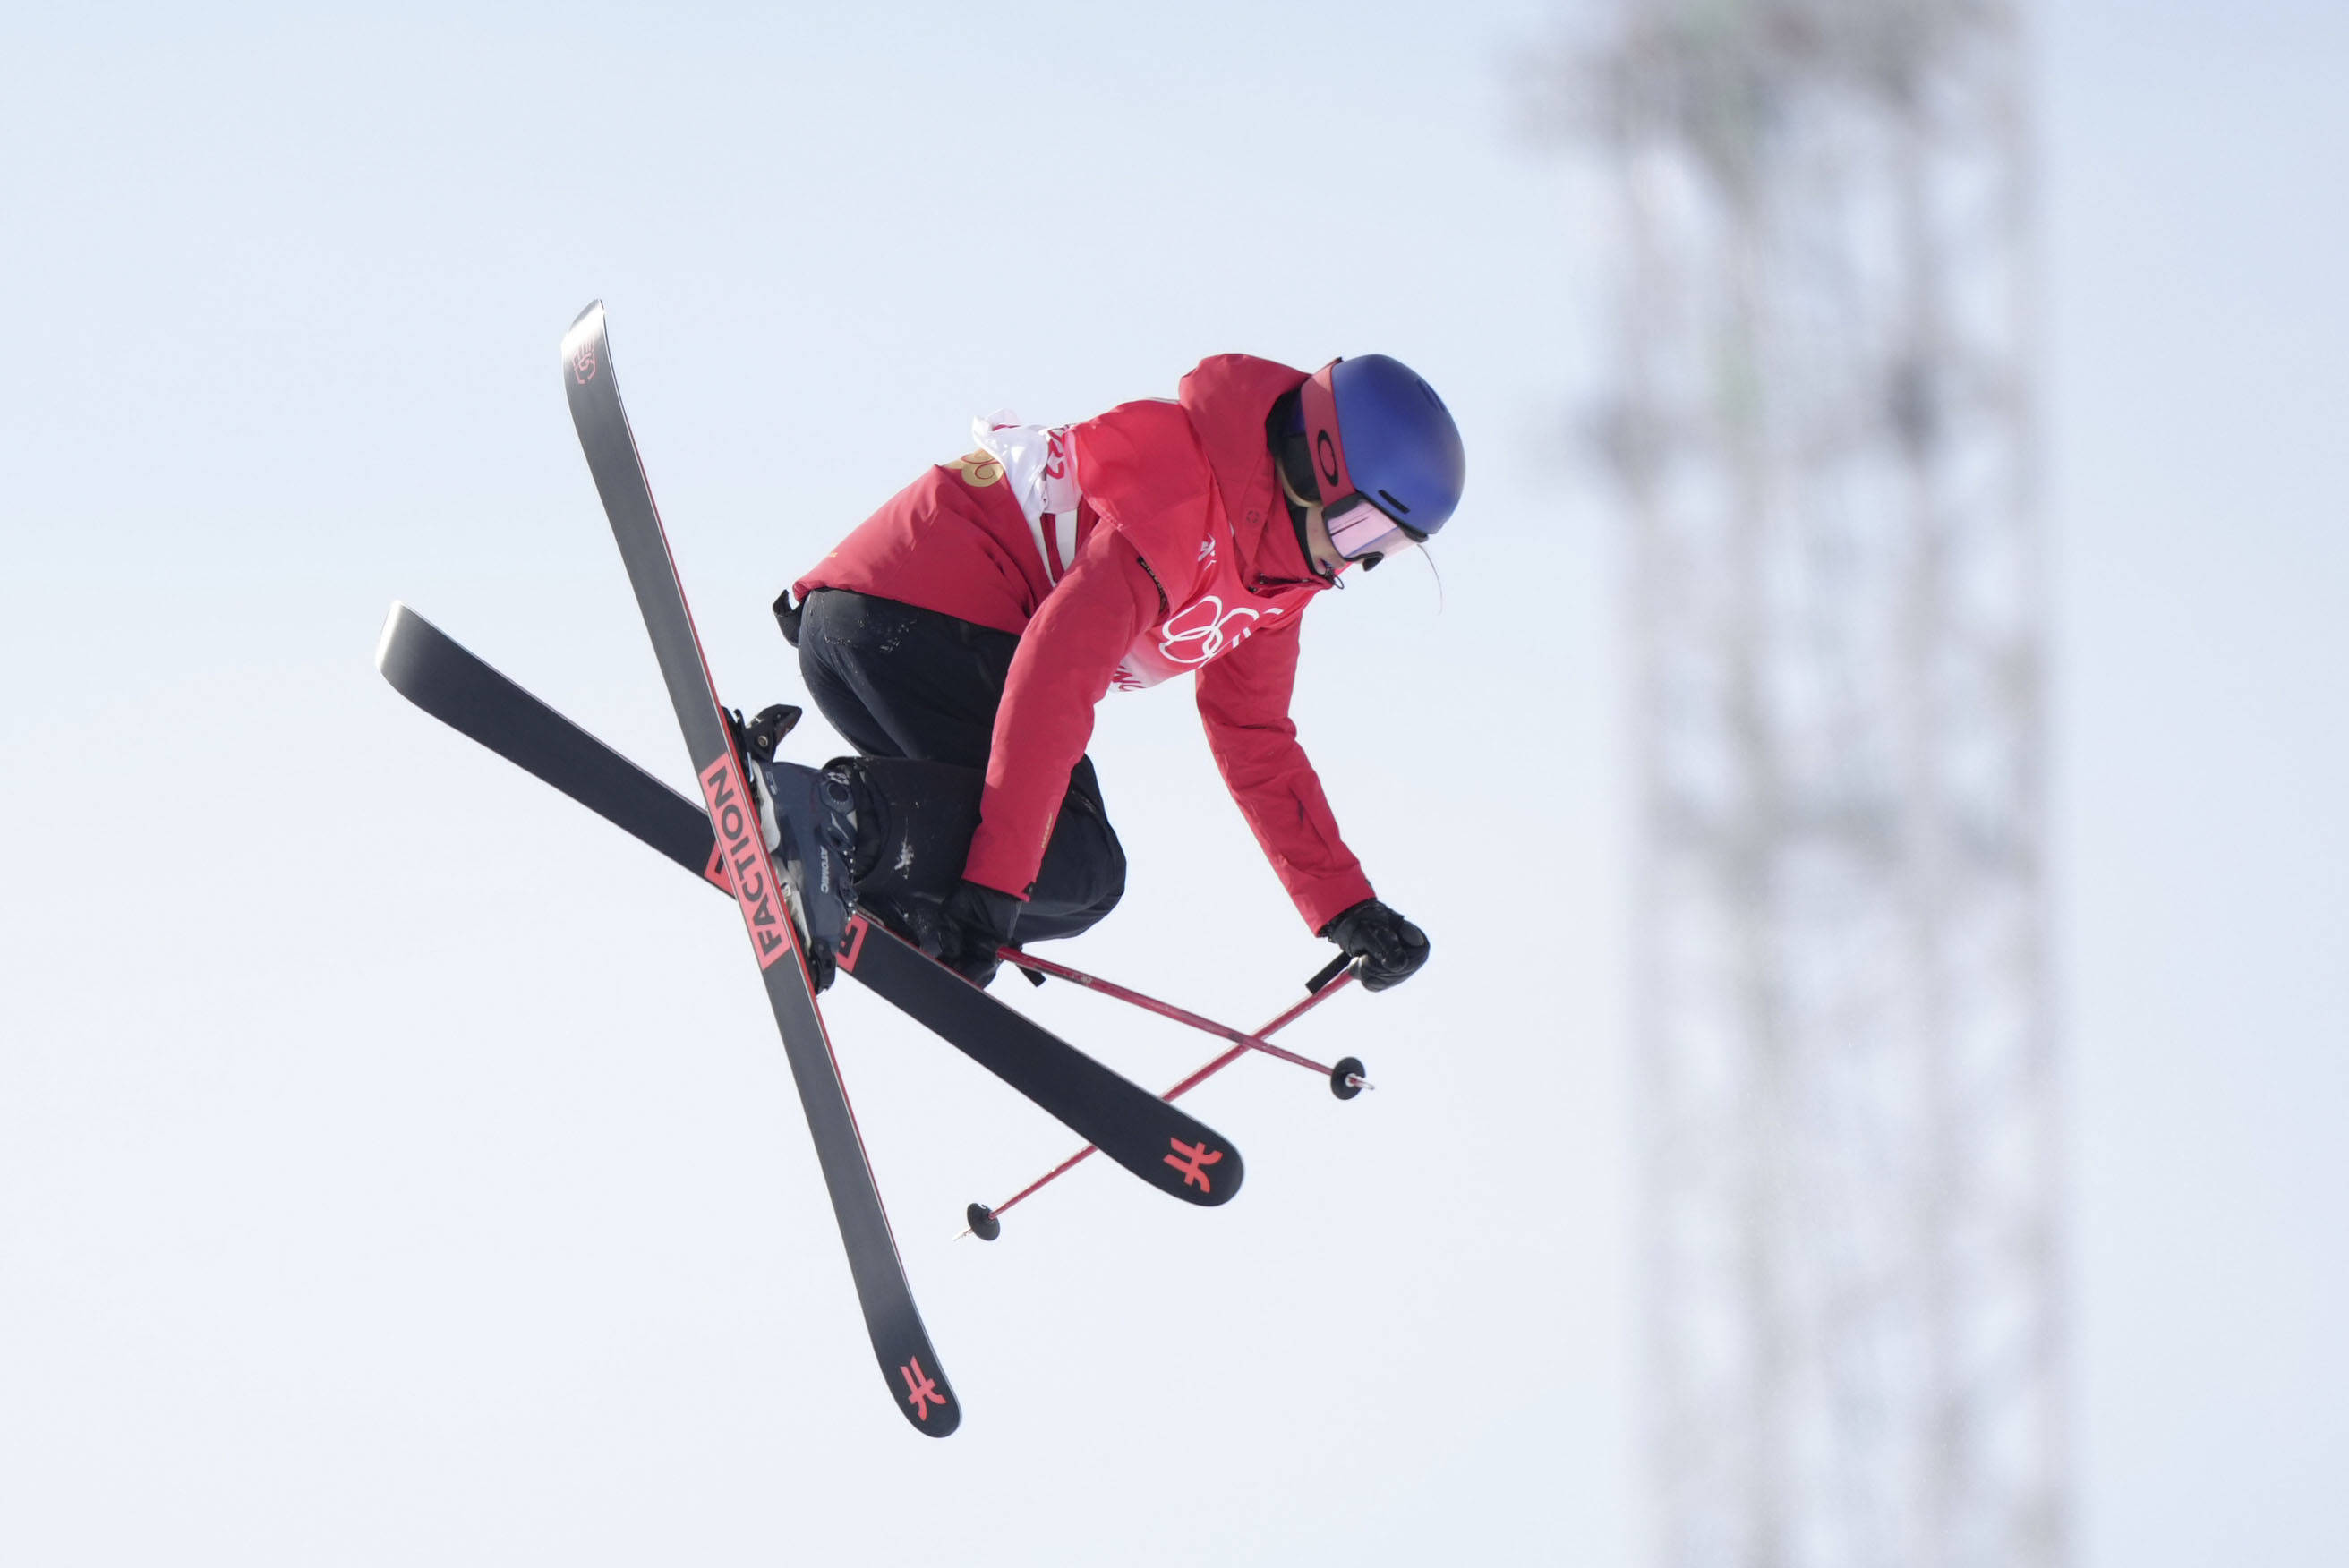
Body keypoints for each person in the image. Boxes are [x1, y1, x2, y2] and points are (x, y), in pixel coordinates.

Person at [755, 352, 1463, 994]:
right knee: (1075, 858)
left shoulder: (1276, 585)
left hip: (876, 636)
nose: (1354, 563)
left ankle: (859, 870)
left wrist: (1344, 903)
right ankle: (836, 816)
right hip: (914, 625)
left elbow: (1255, 738)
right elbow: (1057, 672)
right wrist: (998, 885)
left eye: (1387, 550)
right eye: (1362, 532)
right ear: (1317, 466)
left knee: (1067, 883)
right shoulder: (1187, 490)